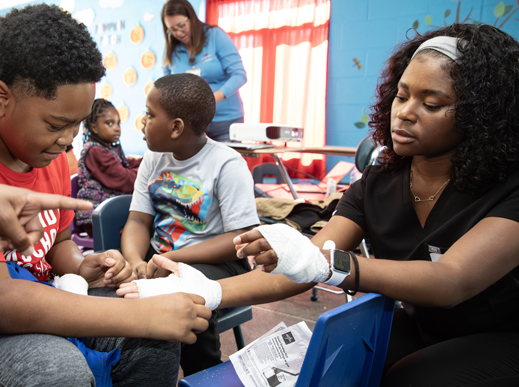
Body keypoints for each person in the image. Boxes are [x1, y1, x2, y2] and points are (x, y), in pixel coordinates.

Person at [119, 24, 519, 387]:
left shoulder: (507, 189)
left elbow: (451, 280)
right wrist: (207, 290)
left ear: (481, 116)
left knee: (414, 379)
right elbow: (303, 265)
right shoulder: (378, 185)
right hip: (424, 325)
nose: (406, 112)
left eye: (431, 104)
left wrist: (333, 265)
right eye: (401, 95)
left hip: (500, 335)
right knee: (322, 366)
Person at [0, 5, 210, 387]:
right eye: (56, 124)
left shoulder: (46, 153)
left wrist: (83, 265)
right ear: (0, 99)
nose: (68, 140)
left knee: (154, 342)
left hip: (34, 290)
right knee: (55, 369)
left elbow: (59, 244)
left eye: (78, 124)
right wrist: (144, 315)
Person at [122, 73, 259, 375]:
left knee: (187, 291)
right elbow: (137, 220)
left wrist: (174, 259)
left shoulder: (227, 164)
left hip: (217, 263)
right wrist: (134, 261)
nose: (142, 122)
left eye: (149, 114)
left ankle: (204, 374)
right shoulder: (152, 159)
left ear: (176, 128)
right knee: (116, 283)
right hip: (162, 257)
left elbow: (240, 238)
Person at [161, 0, 247, 142]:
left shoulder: (215, 36)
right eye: (173, 29)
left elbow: (239, 75)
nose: (179, 33)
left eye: (182, 26)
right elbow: (165, 86)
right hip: (192, 124)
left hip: (226, 121)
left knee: (224, 164)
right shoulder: (171, 49)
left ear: (192, 19)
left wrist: (210, 100)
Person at [75, 98, 142, 236]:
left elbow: (127, 164)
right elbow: (125, 179)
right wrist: (147, 170)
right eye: (109, 123)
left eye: (118, 123)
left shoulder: (109, 149)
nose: (117, 128)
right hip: (97, 216)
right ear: (94, 127)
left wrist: (149, 161)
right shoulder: (95, 152)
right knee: (141, 227)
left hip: (110, 210)